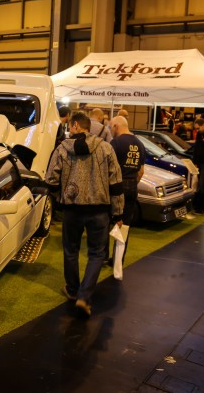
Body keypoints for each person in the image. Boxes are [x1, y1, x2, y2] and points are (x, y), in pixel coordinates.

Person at [45, 111, 124, 318]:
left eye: (71, 126)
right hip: (99, 210)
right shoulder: (106, 148)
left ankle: (72, 290)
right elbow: (116, 184)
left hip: (72, 209)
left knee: (70, 251)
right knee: (97, 254)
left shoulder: (62, 149)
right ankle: (84, 296)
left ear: (75, 126)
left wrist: (60, 199)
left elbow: (51, 179)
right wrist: (117, 213)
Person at [109, 116, 145, 264]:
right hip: (132, 186)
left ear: (116, 126)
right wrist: (132, 183)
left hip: (116, 186)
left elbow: (108, 168)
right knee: (125, 225)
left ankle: (102, 255)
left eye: (111, 127)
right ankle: (118, 260)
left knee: (107, 221)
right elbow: (141, 171)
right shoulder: (140, 144)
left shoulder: (115, 143)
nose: (110, 131)